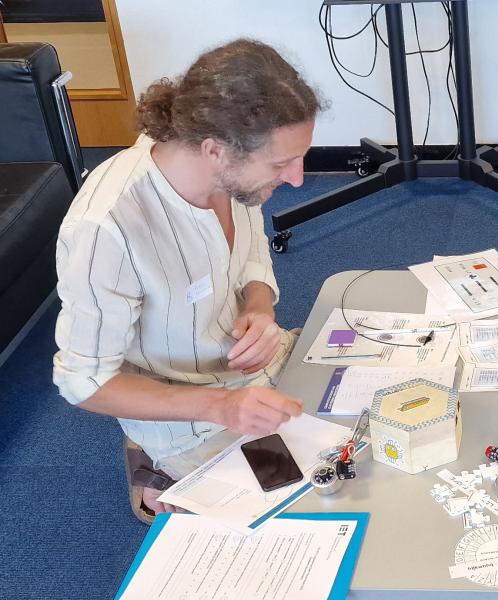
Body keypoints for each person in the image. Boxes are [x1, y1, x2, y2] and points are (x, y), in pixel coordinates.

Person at [52, 39, 322, 520]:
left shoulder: (232, 176)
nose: (299, 179)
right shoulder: (106, 228)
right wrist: (220, 407)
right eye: (282, 164)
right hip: (194, 408)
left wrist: (259, 306)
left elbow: (253, 256)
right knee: (306, 509)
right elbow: (83, 381)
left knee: (370, 422)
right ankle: (158, 463)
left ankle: (173, 473)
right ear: (216, 149)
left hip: (252, 374)